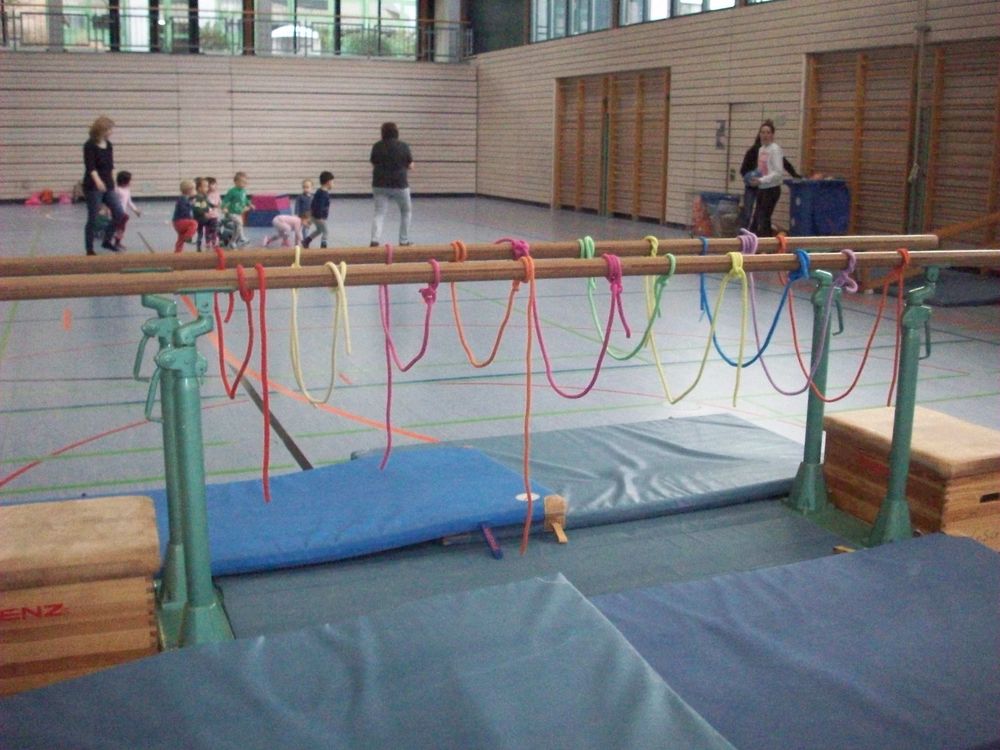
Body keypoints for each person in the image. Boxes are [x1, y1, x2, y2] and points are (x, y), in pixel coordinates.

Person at [738, 123, 800, 232]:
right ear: (759, 134)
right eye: (763, 132)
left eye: (768, 133)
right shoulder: (761, 149)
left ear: (772, 135)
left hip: (772, 189)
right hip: (762, 188)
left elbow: (778, 172)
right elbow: (761, 170)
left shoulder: (775, 150)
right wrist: (754, 177)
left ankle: (766, 240)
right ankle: (754, 238)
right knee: (757, 220)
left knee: (764, 219)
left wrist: (761, 180)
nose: (765, 135)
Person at [82, 115, 126, 255]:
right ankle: (89, 249)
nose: (112, 132)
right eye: (110, 129)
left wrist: (114, 183)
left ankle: (107, 241)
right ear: (102, 130)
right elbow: (91, 166)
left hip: (108, 184)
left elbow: (111, 165)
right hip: (93, 186)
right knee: (93, 217)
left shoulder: (109, 145)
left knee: (119, 213)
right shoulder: (89, 145)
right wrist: (98, 181)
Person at [369, 122, 413, 247]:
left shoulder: (377, 146)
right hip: (400, 184)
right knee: (406, 212)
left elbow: (373, 163)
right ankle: (403, 241)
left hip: (379, 184)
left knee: (379, 213)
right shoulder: (403, 146)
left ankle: (374, 240)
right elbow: (410, 165)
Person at [303, 171, 334, 249]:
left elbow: (313, 203)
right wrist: (320, 217)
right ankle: (323, 245)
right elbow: (320, 206)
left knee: (319, 230)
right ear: (328, 182)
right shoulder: (324, 194)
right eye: (332, 182)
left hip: (315, 216)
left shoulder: (319, 191)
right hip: (319, 217)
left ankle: (306, 241)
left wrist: (311, 214)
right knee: (326, 231)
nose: (333, 184)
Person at [221, 172, 253, 247]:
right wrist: (224, 207)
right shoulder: (232, 191)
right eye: (242, 182)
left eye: (245, 182)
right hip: (232, 212)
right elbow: (226, 200)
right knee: (239, 223)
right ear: (236, 182)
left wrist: (250, 204)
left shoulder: (243, 191)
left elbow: (245, 199)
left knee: (237, 228)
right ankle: (242, 238)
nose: (244, 184)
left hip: (238, 213)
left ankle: (232, 242)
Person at [112, 170, 141, 251]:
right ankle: (113, 240)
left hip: (123, 212)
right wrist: (109, 210)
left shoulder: (127, 190)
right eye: (129, 180)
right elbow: (112, 201)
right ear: (124, 181)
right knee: (118, 227)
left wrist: (135, 210)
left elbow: (129, 202)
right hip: (116, 212)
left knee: (121, 228)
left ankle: (117, 242)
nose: (130, 182)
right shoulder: (116, 190)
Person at [192, 177, 219, 252]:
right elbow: (196, 208)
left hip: (204, 218)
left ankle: (210, 242)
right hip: (199, 219)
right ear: (199, 188)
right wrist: (204, 213)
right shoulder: (198, 197)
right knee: (200, 233)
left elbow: (208, 203)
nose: (207, 188)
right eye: (205, 186)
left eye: (207, 186)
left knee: (211, 227)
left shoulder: (205, 196)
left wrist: (214, 206)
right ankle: (199, 246)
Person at [172, 180, 198, 253]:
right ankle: (187, 237)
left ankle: (177, 252)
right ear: (189, 191)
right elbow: (184, 211)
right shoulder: (183, 199)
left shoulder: (186, 199)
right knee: (194, 223)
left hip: (178, 222)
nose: (195, 191)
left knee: (180, 238)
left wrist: (191, 204)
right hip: (179, 222)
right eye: (194, 189)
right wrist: (191, 205)